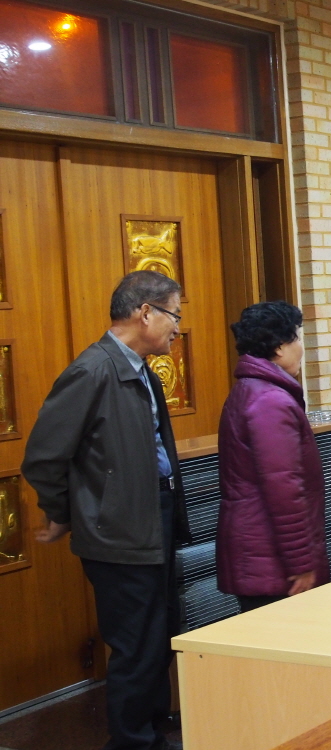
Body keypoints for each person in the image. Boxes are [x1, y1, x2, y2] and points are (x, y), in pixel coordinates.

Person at [22, 271, 189, 750]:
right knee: (136, 645)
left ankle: (152, 732)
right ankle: (132, 742)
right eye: (174, 315)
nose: (178, 328)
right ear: (145, 313)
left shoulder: (142, 371)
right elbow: (43, 457)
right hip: (118, 533)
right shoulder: (92, 371)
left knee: (160, 635)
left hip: (151, 519)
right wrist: (65, 511)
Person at [216, 301, 329, 613]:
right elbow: (284, 489)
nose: (301, 348)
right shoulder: (270, 401)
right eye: (297, 338)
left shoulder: (253, 390)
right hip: (272, 561)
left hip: (262, 553)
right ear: (279, 347)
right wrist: (301, 562)